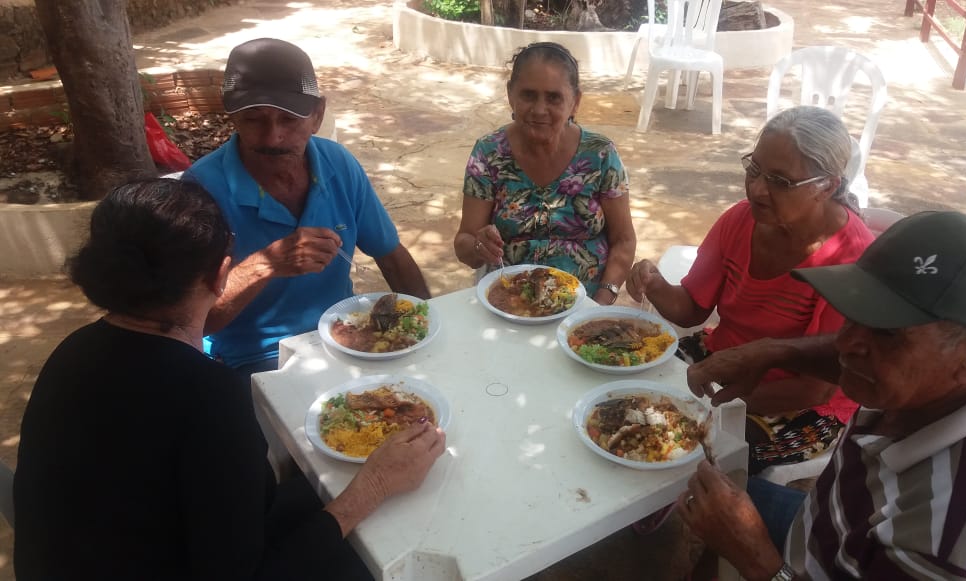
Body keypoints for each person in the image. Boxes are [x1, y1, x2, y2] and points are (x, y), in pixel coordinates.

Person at [14, 179, 447, 580]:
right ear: (221, 274)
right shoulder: (207, 395)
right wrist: (374, 486)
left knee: (310, 490)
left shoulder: (72, 351)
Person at [678, 210, 966, 579]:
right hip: (827, 523)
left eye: (887, 333)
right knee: (700, 499)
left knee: (715, 520)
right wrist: (775, 352)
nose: (847, 344)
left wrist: (753, 556)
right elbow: (866, 350)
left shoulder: (944, 543)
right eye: (853, 314)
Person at [626, 106, 875, 474]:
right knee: (623, 384)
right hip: (721, 361)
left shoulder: (851, 260)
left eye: (780, 181)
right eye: (754, 169)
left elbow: (814, 388)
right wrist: (655, 282)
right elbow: (692, 308)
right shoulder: (740, 220)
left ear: (828, 186)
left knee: (695, 452)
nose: (757, 189)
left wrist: (710, 404)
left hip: (798, 404)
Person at [183, 38, 430, 377]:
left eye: (289, 119)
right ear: (234, 118)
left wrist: (428, 325)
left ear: (318, 115)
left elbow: (391, 256)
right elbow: (192, 322)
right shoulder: (199, 190)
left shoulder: (338, 164)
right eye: (254, 120)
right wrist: (266, 265)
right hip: (254, 361)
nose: (273, 138)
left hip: (346, 336)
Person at [453, 41, 636, 304]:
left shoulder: (600, 154)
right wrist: (479, 247)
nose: (539, 109)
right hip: (509, 303)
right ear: (510, 95)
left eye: (554, 97)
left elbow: (624, 240)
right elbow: (464, 243)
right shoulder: (489, 153)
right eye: (528, 95)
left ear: (575, 102)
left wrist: (600, 303)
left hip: (585, 302)